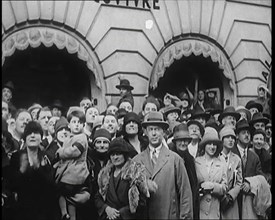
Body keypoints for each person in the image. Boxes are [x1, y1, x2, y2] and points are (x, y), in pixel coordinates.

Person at [133, 111, 193, 219]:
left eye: (157, 129)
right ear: (146, 132)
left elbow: (185, 195)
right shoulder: (137, 160)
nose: (154, 133)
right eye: (151, 129)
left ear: (163, 132)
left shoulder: (175, 159)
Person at [8, 121, 56, 220]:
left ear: (41, 137)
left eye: (36, 133)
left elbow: (51, 188)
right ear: (25, 137)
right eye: (29, 133)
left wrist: (41, 167)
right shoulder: (16, 157)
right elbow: (11, 186)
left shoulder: (47, 156)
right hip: (21, 212)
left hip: (43, 212)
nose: (32, 135)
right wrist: (22, 170)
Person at [95, 137, 150, 220]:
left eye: (118, 154)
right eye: (112, 154)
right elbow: (97, 197)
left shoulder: (135, 173)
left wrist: (119, 214)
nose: (115, 157)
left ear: (125, 155)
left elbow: (141, 201)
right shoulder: (105, 174)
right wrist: (107, 209)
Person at [55, 108, 90, 220]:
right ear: (69, 125)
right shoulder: (70, 137)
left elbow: (74, 151)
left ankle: (64, 212)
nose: (76, 125)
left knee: (61, 191)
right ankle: (70, 216)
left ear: (83, 125)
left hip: (75, 172)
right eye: (74, 122)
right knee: (69, 196)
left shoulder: (82, 138)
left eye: (79, 123)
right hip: (69, 171)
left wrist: (60, 153)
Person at [231, 119, 265, 220]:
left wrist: (250, 183)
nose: (247, 135)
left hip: (249, 201)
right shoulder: (231, 153)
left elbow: (261, 177)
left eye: (248, 133)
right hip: (233, 201)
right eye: (243, 133)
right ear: (237, 136)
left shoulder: (254, 157)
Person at [195, 127, 227, 219]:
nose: (212, 147)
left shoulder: (221, 163)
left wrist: (213, 187)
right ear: (204, 145)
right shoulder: (196, 162)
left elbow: (225, 187)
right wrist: (201, 189)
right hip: (199, 209)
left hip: (214, 210)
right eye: (209, 144)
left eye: (214, 144)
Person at [170, 123, 200, 220]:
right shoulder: (169, 158)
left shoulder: (190, 160)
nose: (183, 143)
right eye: (180, 140)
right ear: (175, 142)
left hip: (188, 207)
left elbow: (193, 187)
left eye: (186, 140)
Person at [219, 126, 243, 219]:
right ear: (222, 139)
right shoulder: (216, 157)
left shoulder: (236, 159)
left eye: (233, 138)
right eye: (227, 137)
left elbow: (239, 181)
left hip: (231, 201)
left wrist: (231, 196)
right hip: (218, 199)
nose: (231, 140)